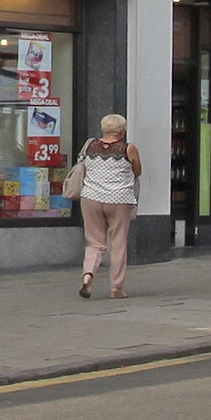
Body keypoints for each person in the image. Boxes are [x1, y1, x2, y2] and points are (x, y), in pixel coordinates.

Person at [76, 113, 141, 301]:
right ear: (123, 131)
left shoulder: (89, 145)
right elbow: (138, 170)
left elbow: (82, 166)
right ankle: (116, 287)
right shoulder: (129, 149)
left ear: (103, 129)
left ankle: (88, 275)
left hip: (91, 197)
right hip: (119, 199)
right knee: (118, 243)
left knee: (94, 241)